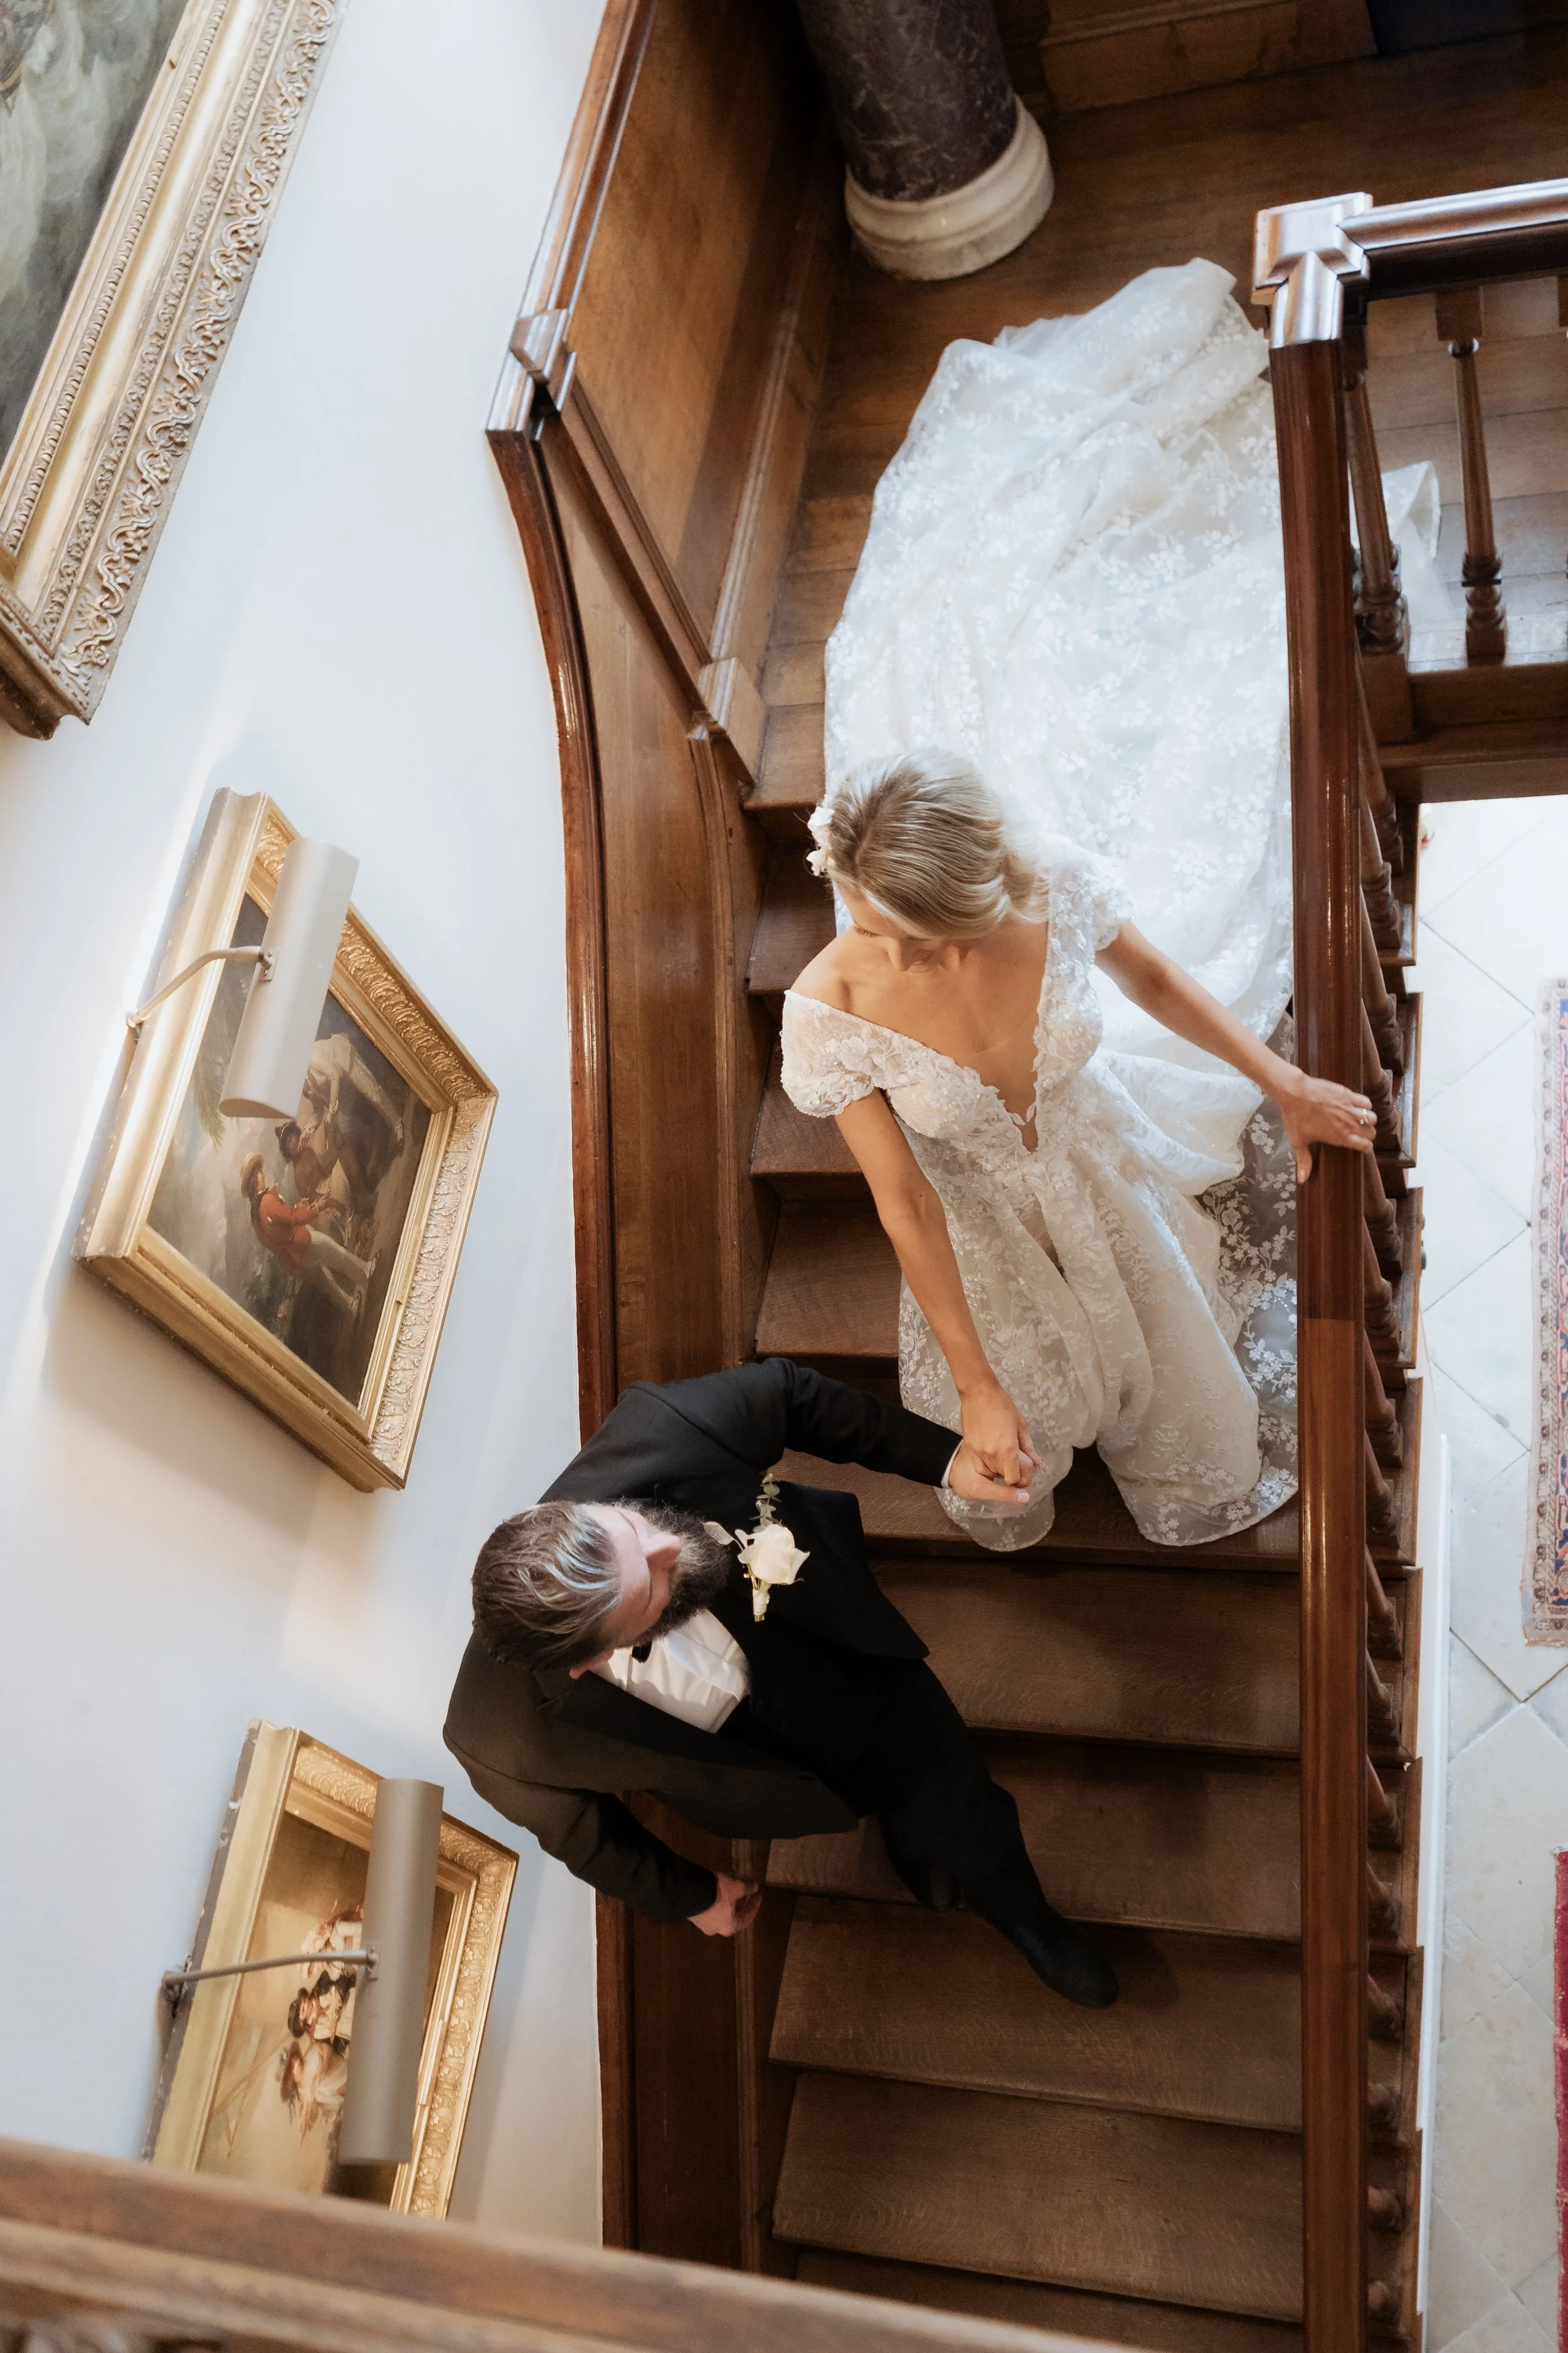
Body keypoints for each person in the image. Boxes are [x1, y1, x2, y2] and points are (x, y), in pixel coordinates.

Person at [782, 755, 1378, 1551]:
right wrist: (976, 1387)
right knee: (1018, 1434)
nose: (890, 958)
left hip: (1099, 1159)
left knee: (1176, 1375)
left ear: (978, 901)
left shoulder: (1054, 883)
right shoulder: (832, 1006)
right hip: (981, 1225)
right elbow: (907, 1201)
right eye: (865, 926)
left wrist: (1286, 1082)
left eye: (911, 937)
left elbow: (1156, 980)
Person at [444, 1357, 1120, 2009]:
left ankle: (1025, 1915)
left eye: (628, 1528)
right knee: (860, 1796)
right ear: (588, 1660)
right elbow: (584, 1836)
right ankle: (901, 1829)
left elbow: (792, 1394)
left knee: (957, 1800)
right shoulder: (494, 1741)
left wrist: (945, 1463)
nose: (668, 1548)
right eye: (649, 1586)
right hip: (756, 1772)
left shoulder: (660, 1428)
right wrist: (692, 1895)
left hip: (841, 1660)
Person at [240, 1154, 375, 1317]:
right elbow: (292, 1217)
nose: (264, 1175)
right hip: (302, 1239)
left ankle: (351, 1306)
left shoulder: (256, 1216)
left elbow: (278, 1230)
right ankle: (366, 1272)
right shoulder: (266, 1202)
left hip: (296, 1251)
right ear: (255, 1180)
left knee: (327, 1280)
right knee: (338, 1255)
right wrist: (316, 1207)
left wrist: (298, 1207)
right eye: (260, 1173)